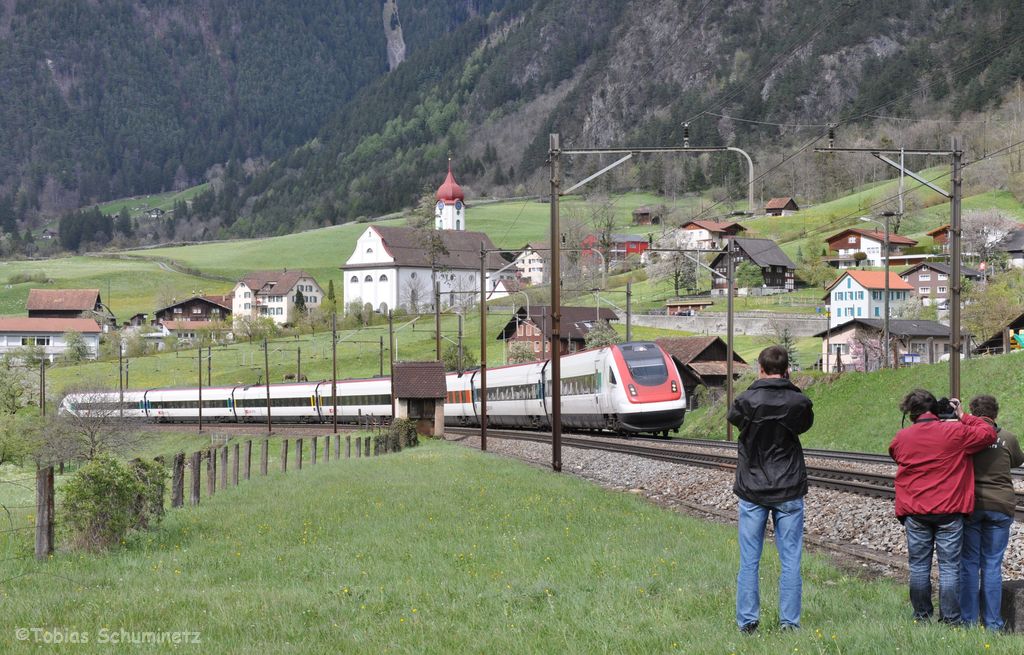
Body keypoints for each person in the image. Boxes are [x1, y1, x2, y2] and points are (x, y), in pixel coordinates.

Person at [888, 390, 997, 625]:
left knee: (918, 566)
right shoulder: (956, 432)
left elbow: (895, 453)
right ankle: (950, 619)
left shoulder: (902, 436)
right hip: (949, 511)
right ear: (935, 410)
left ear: (910, 412)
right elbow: (988, 433)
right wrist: (963, 414)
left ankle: (922, 617)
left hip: (915, 511)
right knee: (948, 568)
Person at [728, 345, 814, 633]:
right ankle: (789, 623)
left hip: (752, 487)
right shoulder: (799, 402)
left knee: (749, 559)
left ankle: (748, 622)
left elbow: (735, 420)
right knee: (790, 558)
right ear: (787, 368)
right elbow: (803, 426)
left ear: (760, 368)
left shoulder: (745, 401)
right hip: (789, 486)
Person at [960, 395, 1024, 631]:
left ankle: (967, 622)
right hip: (1001, 506)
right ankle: (993, 624)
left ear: (972, 414)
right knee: (992, 565)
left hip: (972, 506)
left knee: (968, 564)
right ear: (995, 414)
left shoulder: (966, 436)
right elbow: (1018, 460)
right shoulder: (1007, 437)